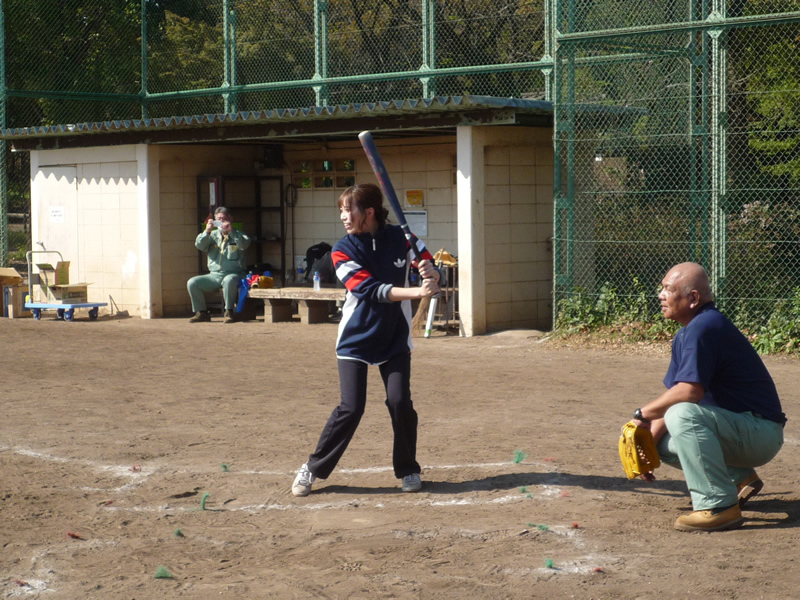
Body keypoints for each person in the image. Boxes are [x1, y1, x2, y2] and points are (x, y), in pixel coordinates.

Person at [291, 183, 441, 497]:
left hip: (394, 338)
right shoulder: (341, 250)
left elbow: (429, 267)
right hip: (355, 340)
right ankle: (312, 467)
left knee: (400, 403)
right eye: (342, 210)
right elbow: (370, 290)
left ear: (369, 212)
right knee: (351, 408)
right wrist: (417, 292)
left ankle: (408, 469)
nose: (344, 217)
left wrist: (431, 273)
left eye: (349, 210)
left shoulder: (403, 238)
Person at [628, 262, 786, 532]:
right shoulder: (687, 332)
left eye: (668, 289)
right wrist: (648, 443)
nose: (661, 295)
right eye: (662, 289)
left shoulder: (705, 326)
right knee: (665, 440)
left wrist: (641, 415)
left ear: (693, 298)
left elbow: (689, 393)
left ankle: (719, 506)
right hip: (740, 428)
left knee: (681, 415)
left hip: (761, 432)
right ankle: (738, 477)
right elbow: (674, 393)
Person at [187, 206, 251, 323]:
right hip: (214, 275)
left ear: (230, 220)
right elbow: (199, 245)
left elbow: (244, 245)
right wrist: (207, 231)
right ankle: (202, 312)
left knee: (229, 280)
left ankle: (229, 311)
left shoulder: (238, 234)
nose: (221, 222)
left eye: (224, 219)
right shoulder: (212, 235)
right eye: (218, 219)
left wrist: (231, 231)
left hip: (235, 273)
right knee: (193, 282)